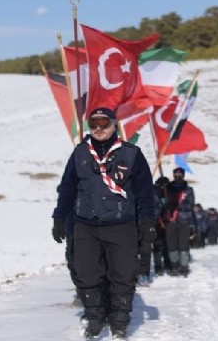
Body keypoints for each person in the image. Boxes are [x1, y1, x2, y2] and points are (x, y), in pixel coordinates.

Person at [51, 107, 156, 339]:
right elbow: (67, 188)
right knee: (87, 275)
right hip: (86, 226)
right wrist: (59, 217)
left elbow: (145, 193)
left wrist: (148, 221)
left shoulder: (131, 154)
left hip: (121, 225)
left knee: (123, 275)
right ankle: (95, 318)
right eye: (93, 124)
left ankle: (119, 322)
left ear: (114, 125)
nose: (98, 129)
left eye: (104, 123)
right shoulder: (80, 153)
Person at [166, 167, 196, 277]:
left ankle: (184, 267)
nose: (178, 175)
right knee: (171, 245)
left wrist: (178, 207)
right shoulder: (168, 188)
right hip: (171, 221)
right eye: (176, 173)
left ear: (183, 175)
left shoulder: (188, 190)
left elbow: (191, 204)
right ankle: (174, 267)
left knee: (183, 246)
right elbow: (164, 201)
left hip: (184, 221)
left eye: (180, 174)